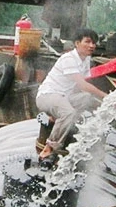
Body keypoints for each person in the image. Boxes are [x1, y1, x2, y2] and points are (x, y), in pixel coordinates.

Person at [36, 28, 107, 167]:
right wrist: (105, 96)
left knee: (86, 98)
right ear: (77, 43)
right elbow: (82, 84)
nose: (92, 46)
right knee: (68, 112)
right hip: (48, 96)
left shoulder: (86, 60)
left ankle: (62, 121)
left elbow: (81, 88)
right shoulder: (68, 59)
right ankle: (49, 148)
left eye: (94, 43)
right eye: (87, 42)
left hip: (63, 97)